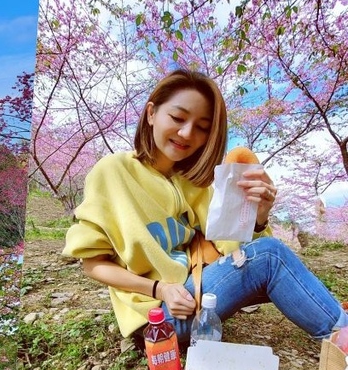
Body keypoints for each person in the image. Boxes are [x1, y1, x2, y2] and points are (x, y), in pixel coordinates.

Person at [63, 68, 348, 347]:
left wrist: (259, 217)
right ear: (151, 113)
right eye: (177, 117)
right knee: (271, 256)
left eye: (202, 127)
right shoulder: (112, 172)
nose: (187, 133)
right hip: (157, 317)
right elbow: (93, 264)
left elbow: (235, 250)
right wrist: (160, 288)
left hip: (196, 297)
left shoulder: (196, 185)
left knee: (270, 257)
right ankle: (342, 335)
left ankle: (339, 331)